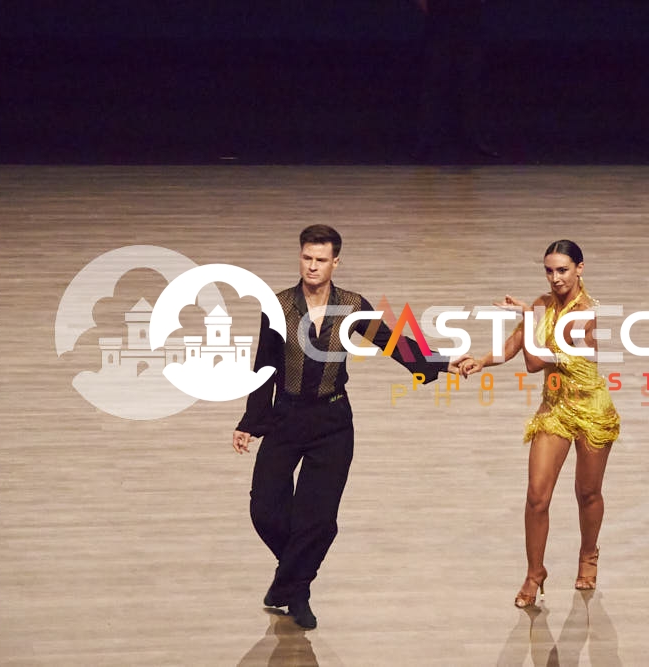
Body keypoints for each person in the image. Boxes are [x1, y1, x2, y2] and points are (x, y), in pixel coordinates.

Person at [232, 224, 465, 629]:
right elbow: (264, 365)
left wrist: (442, 363)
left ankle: (294, 590)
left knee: (319, 520)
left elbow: (390, 341)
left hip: (332, 422)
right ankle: (293, 580)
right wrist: (251, 422)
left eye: (321, 260)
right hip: (286, 418)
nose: (312, 266)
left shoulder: (352, 305)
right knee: (264, 508)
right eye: (307, 257)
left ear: (335, 262)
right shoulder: (278, 305)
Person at [459, 240, 620, 607]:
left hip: (591, 409)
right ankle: (535, 573)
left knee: (588, 493)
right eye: (549, 271)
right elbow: (516, 344)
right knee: (536, 497)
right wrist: (482, 361)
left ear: (580, 269)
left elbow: (533, 363)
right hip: (555, 408)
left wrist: (530, 316)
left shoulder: (585, 314)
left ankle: (589, 554)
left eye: (562, 270)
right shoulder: (542, 304)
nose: (555, 278)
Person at [411, 0, 499, 160]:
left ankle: (474, 137)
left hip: (468, 18)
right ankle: (427, 140)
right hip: (440, 18)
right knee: (434, 83)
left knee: (471, 82)